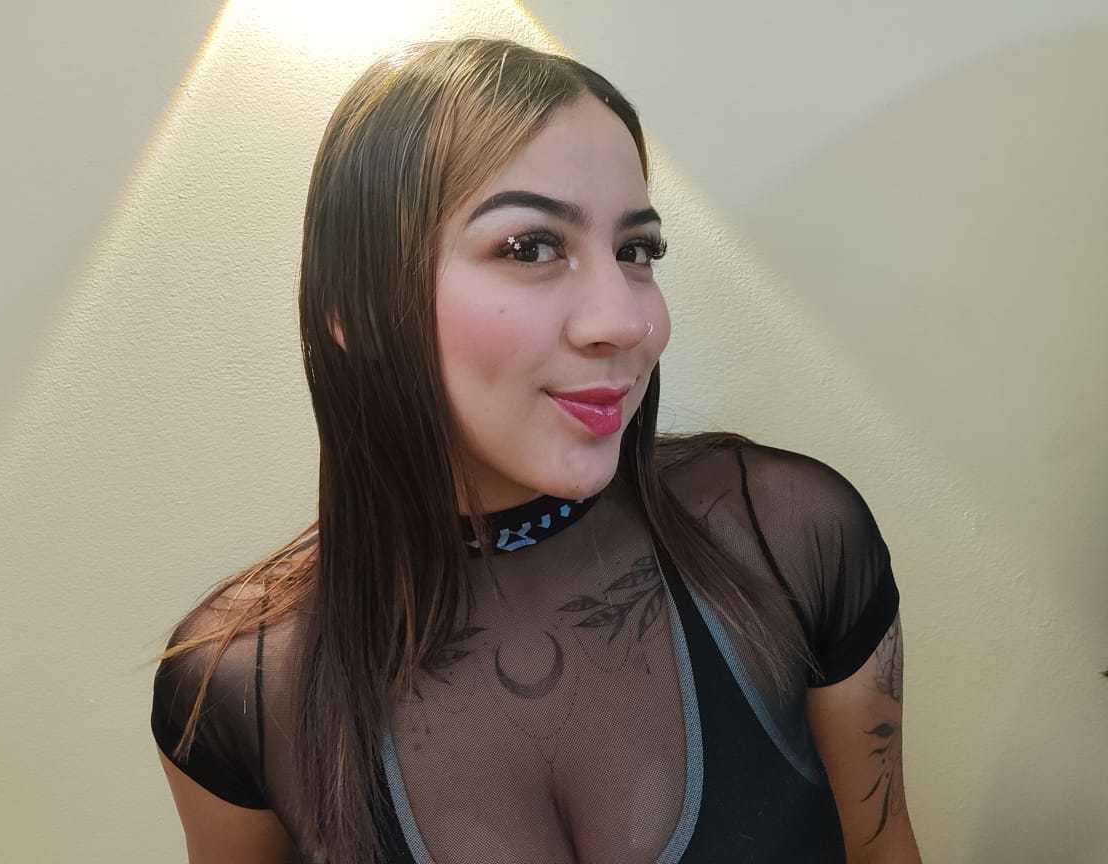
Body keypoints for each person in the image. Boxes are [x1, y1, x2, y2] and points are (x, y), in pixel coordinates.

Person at [150, 35, 922, 864]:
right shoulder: (239, 685)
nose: (626, 321)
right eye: (531, 247)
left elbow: (882, 848)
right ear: (356, 307)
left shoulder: (786, 539)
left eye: (636, 251)